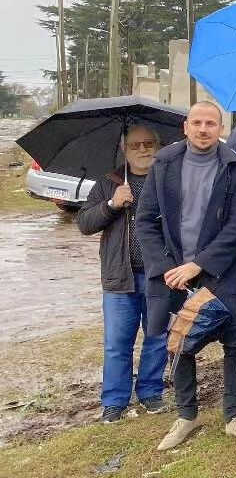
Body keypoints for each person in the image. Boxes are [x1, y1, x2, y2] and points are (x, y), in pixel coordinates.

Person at [135, 101, 236, 450]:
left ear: (221, 129)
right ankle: (186, 415)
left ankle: (233, 414)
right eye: (197, 123)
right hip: (174, 272)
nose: (204, 129)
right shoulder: (164, 164)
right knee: (180, 343)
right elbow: (145, 221)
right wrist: (164, 267)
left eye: (211, 123)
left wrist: (200, 263)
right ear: (186, 127)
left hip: (222, 269)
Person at [77, 124, 169, 422]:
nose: (142, 149)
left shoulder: (169, 180)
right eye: (135, 145)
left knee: (158, 338)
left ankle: (151, 393)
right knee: (117, 343)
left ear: (158, 146)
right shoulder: (109, 184)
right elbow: (84, 224)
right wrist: (112, 204)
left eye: (148, 144)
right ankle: (115, 401)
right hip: (120, 277)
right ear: (124, 150)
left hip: (159, 276)